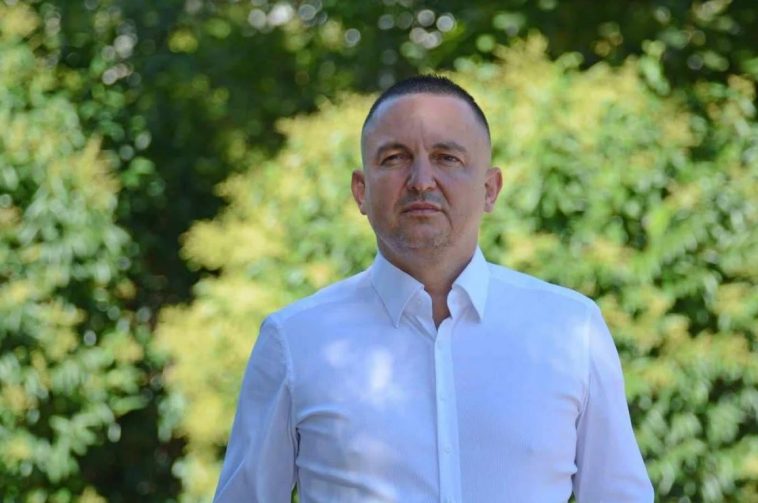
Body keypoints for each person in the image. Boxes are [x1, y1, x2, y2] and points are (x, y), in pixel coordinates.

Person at [213, 75, 654, 502]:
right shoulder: (295, 340)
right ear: (361, 191)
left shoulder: (571, 329)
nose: (422, 180)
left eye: (447, 158)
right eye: (395, 158)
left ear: (490, 189)